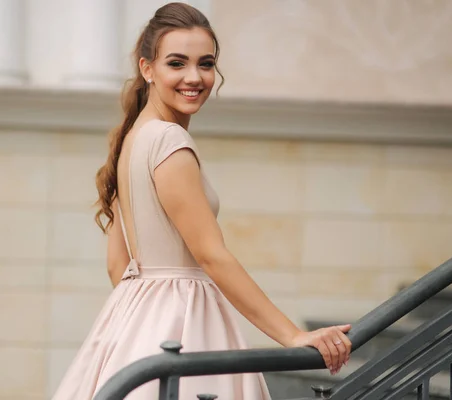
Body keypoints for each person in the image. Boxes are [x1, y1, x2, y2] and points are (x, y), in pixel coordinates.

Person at [52, 3, 352, 399]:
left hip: (135, 319)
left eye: (205, 64)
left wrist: (142, 323)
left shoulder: (133, 140)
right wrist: (292, 335)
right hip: (183, 319)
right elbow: (211, 255)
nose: (194, 77)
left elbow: (117, 266)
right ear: (148, 69)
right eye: (177, 63)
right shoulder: (168, 141)